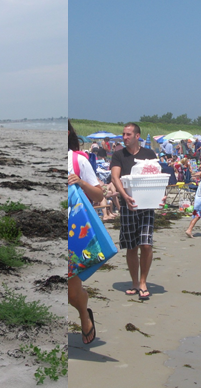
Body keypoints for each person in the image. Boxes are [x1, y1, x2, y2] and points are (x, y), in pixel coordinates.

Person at [110, 122, 158, 301]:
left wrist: (162, 197)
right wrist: (124, 196)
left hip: (147, 205)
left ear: (137, 136)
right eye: (123, 134)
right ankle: (134, 282)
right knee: (131, 246)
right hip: (128, 205)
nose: (124, 137)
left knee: (146, 244)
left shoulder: (149, 154)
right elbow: (115, 177)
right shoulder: (118, 155)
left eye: (128, 134)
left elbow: (156, 178)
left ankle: (144, 282)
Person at [67, 121, 104, 344]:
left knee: (71, 292)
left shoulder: (78, 160)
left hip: (73, 232)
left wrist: (80, 182)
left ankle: (83, 313)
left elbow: (99, 195)